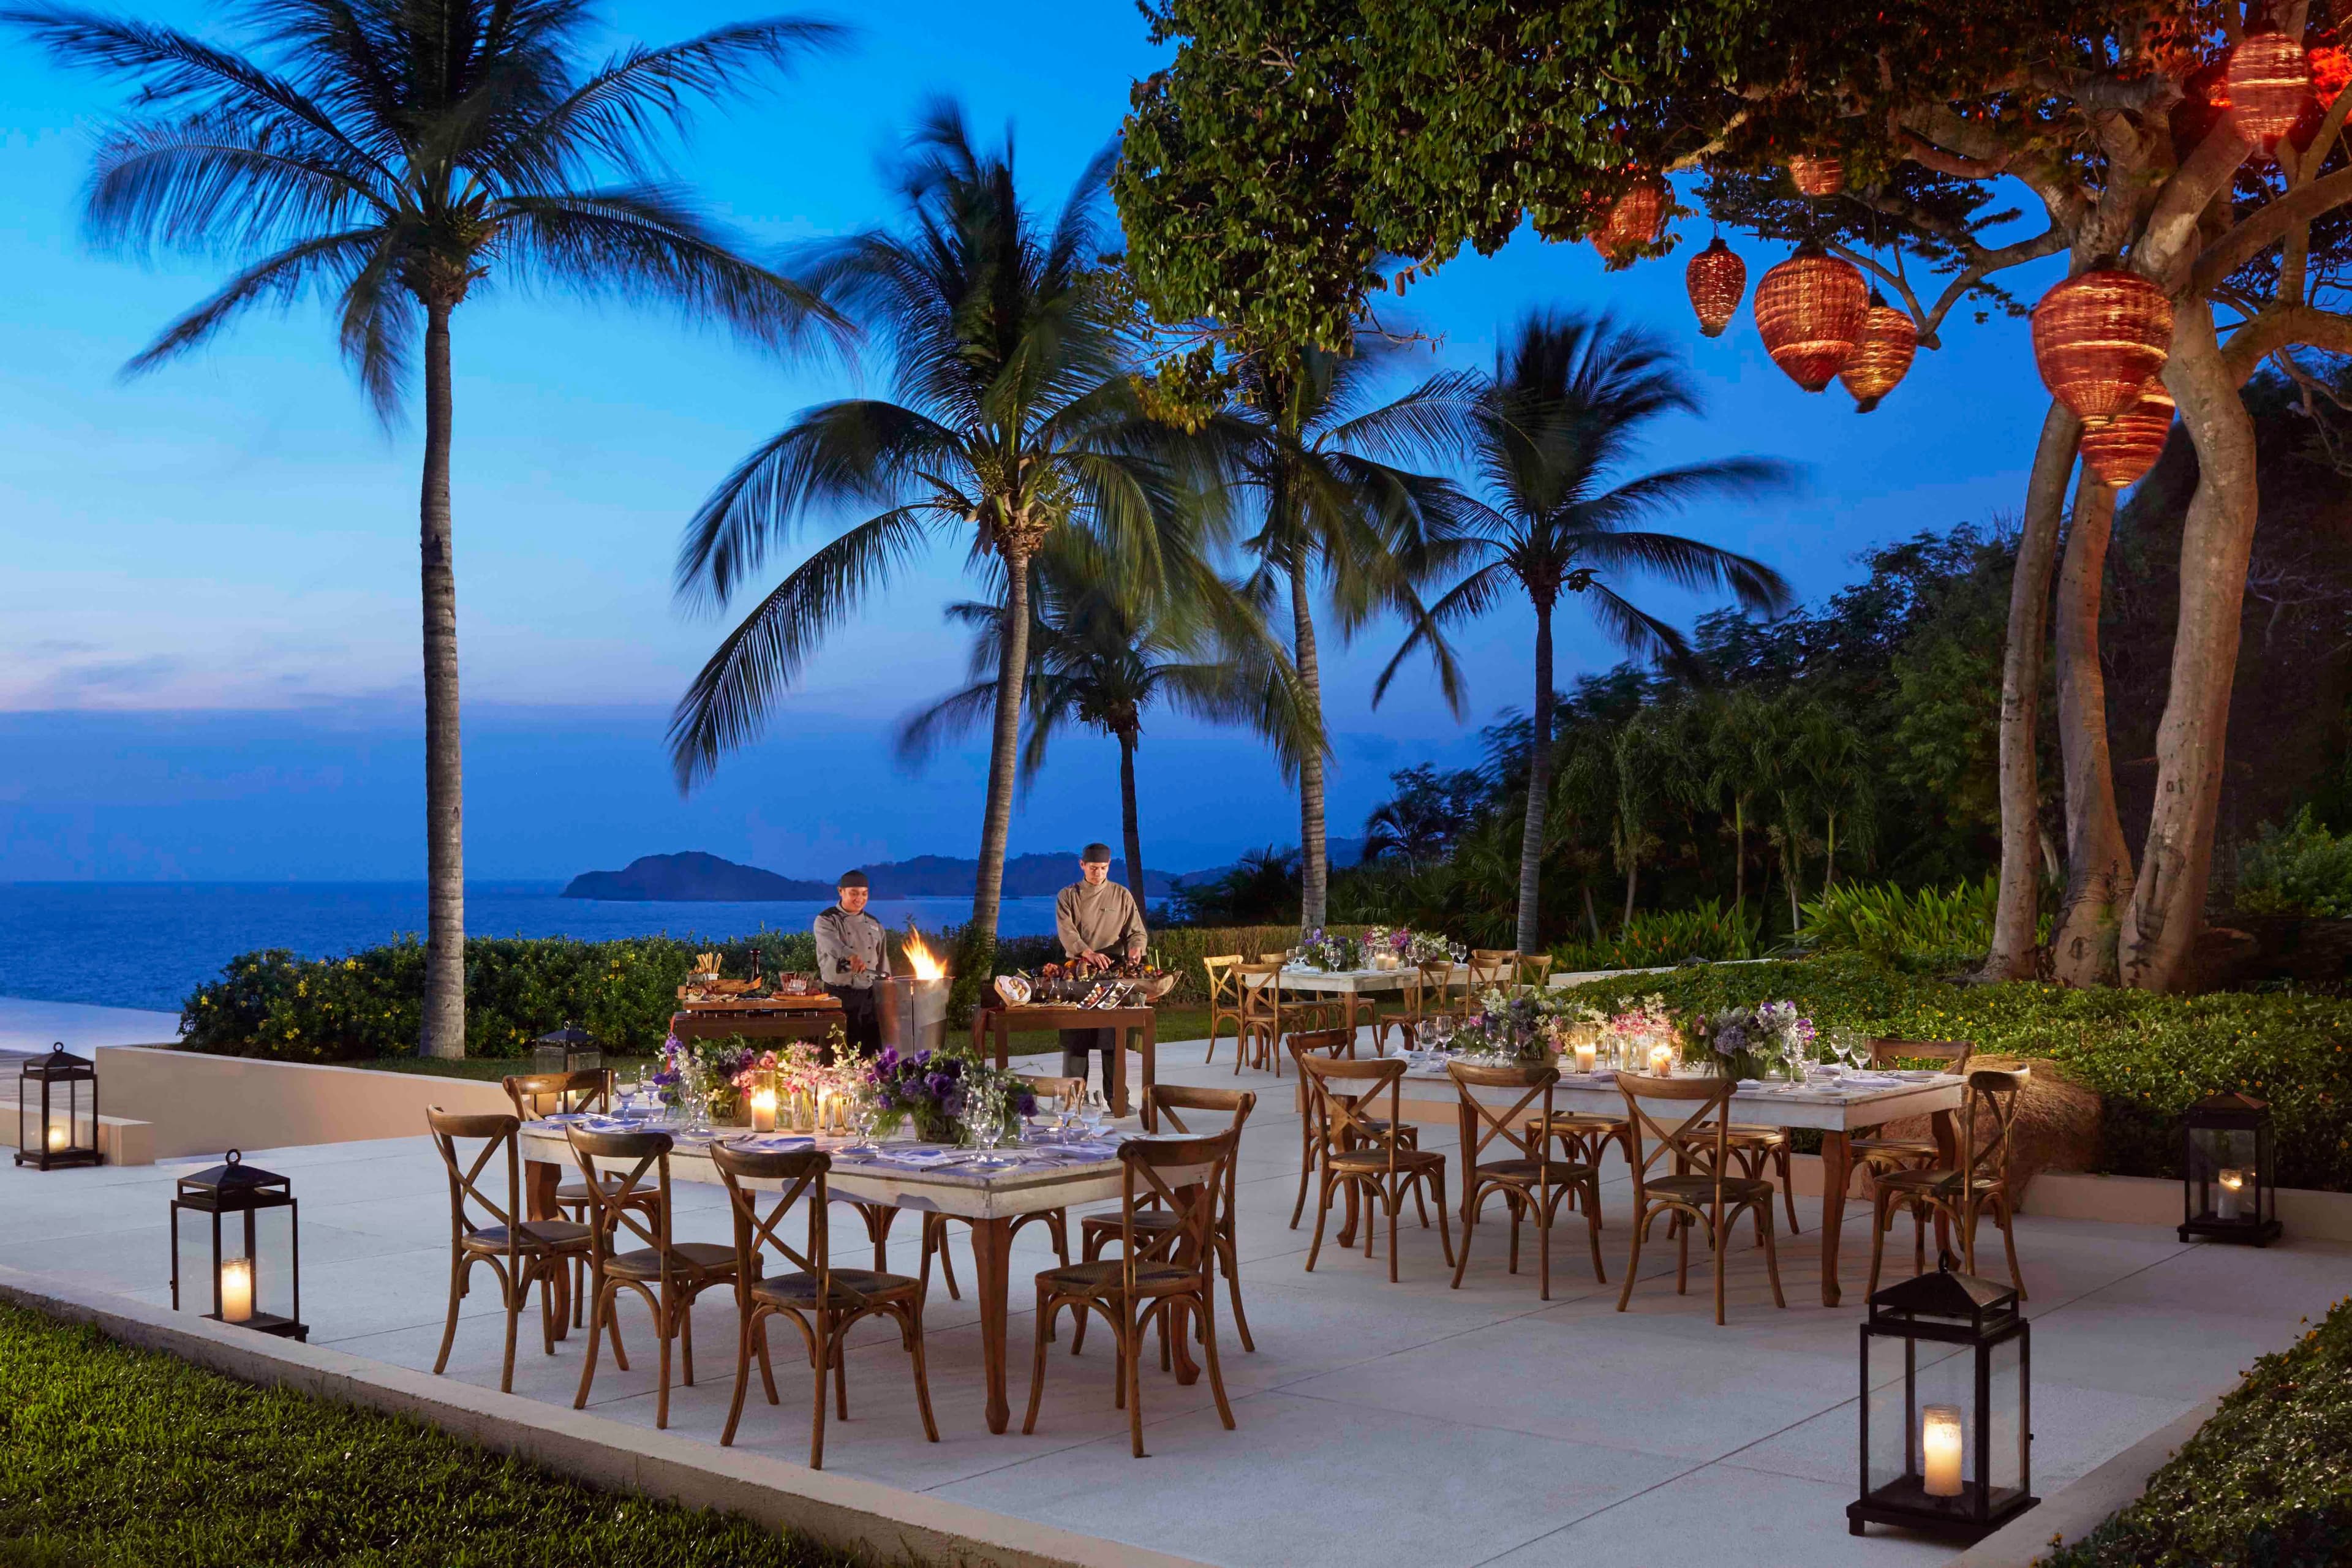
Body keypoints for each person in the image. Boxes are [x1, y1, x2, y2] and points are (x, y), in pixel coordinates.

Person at [1053, 843, 1147, 1102]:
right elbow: (1067, 932)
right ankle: (1072, 1099)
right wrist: (1087, 952)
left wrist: (1136, 949)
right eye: (1093, 868)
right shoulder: (1068, 895)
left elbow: (1136, 931)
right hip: (1078, 971)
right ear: (1082, 865)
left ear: (1109, 866)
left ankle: (1118, 1098)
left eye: (1103, 868)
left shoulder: (1121, 895)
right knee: (1076, 1040)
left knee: (1113, 1038)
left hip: (1113, 973)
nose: (1098, 873)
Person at [814, 871, 890, 1057]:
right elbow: (832, 945)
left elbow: (883, 961)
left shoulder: (874, 923)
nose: (860, 899)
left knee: (871, 1052)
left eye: (864, 893)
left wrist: (888, 988)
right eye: (854, 893)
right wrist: (851, 956)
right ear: (841, 891)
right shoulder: (826, 920)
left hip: (869, 996)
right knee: (838, 1050)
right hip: (839, 995)